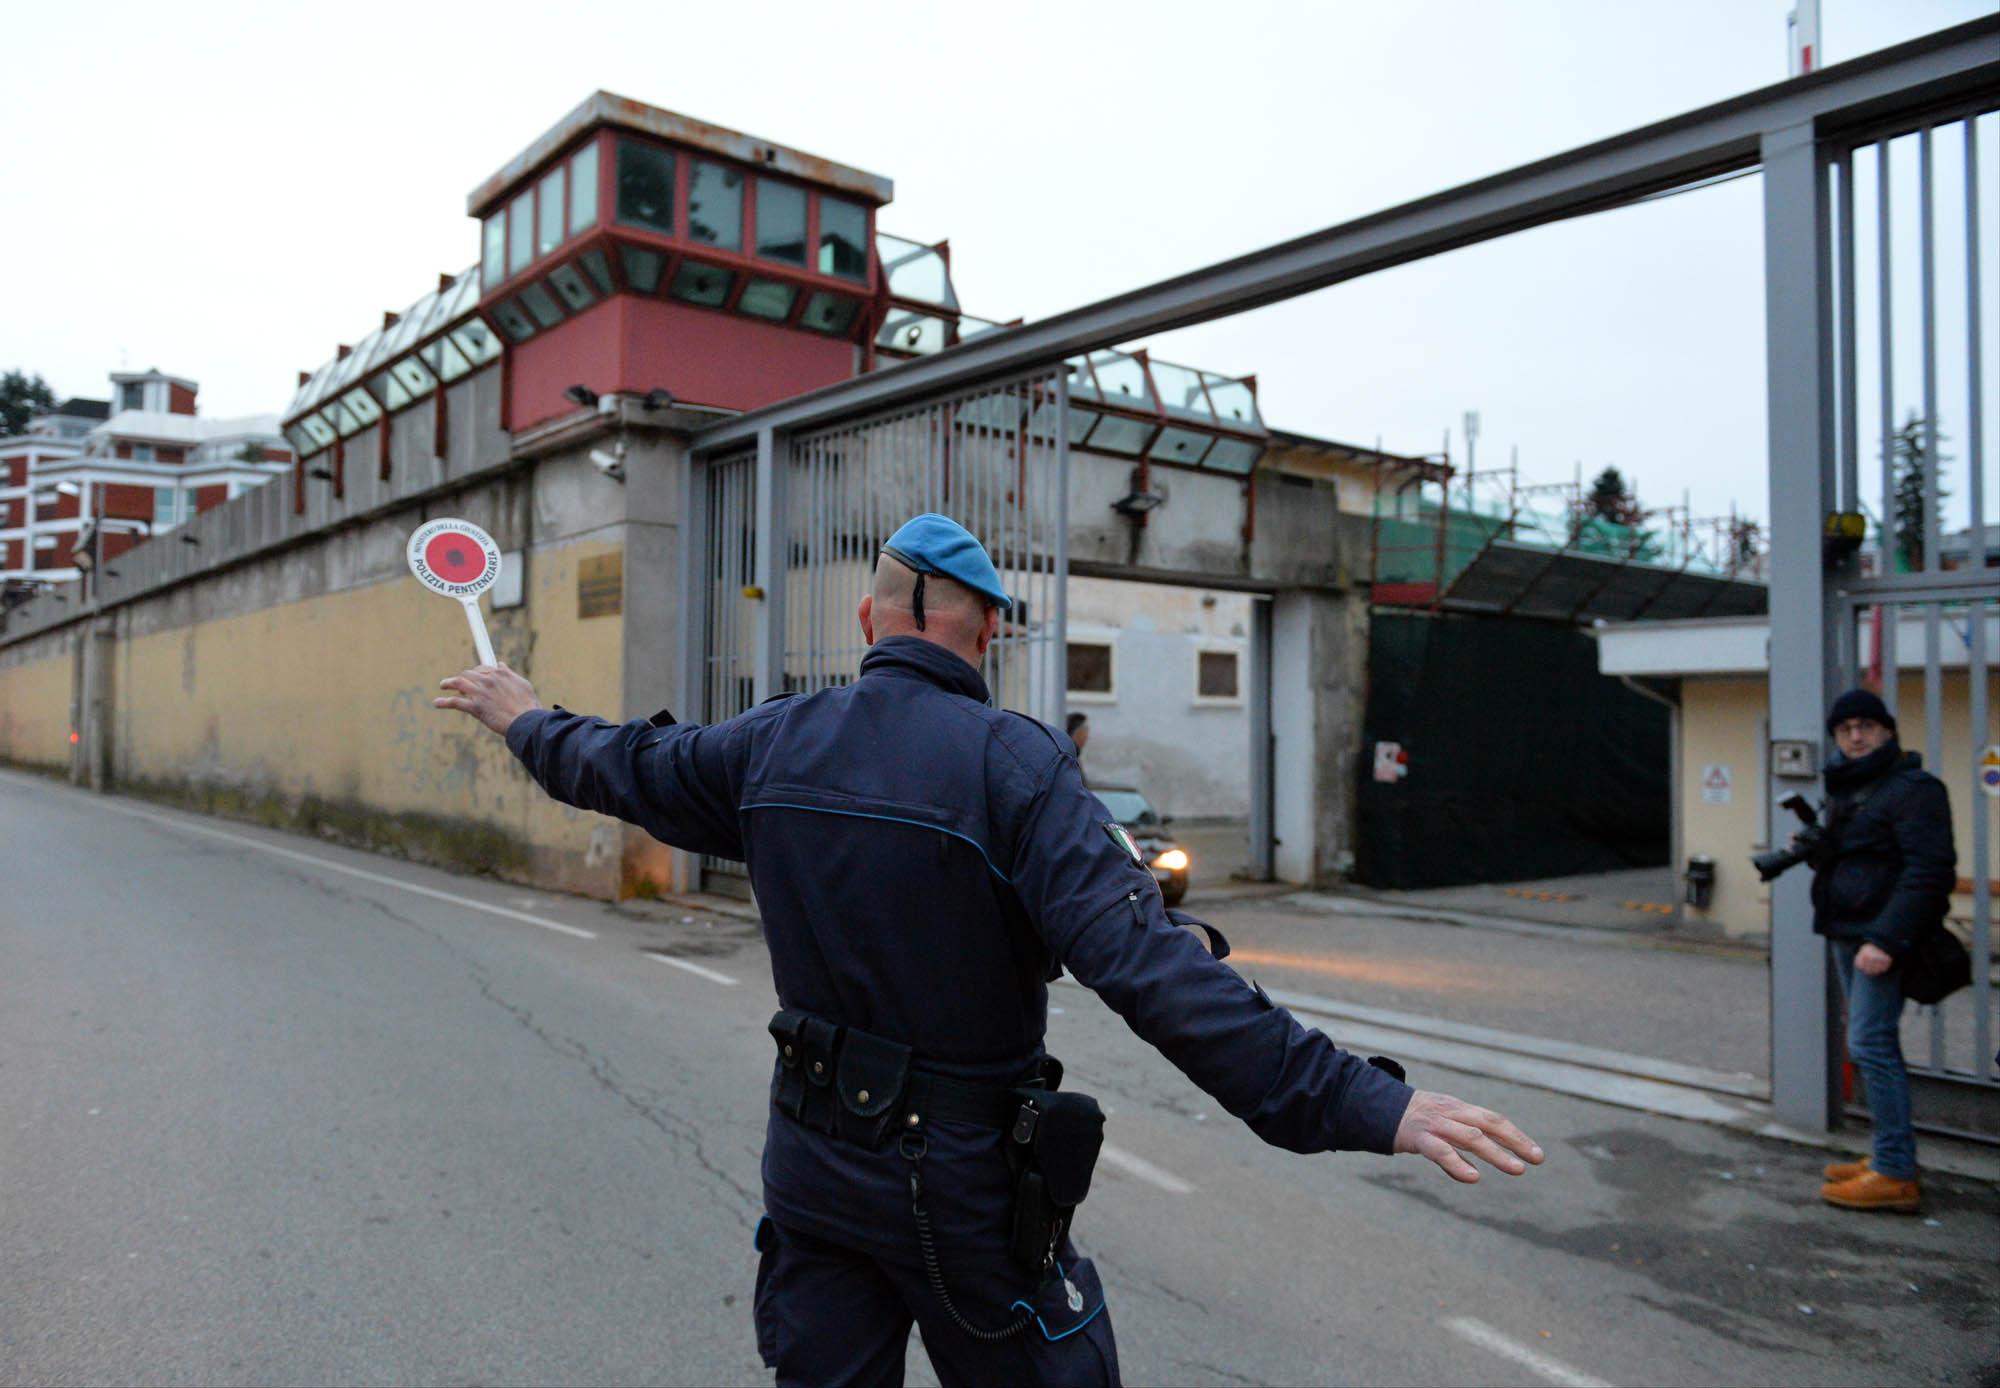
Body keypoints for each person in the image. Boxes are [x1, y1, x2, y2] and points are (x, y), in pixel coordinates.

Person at [435, 513, 1543, 1386]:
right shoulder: (1014, 764)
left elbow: (621, 761)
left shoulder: (771, 739)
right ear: (989, 632)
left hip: (811, 1165)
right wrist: (1356, 1099)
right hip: (954, 1183)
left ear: (870, 623)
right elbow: (1148, 965)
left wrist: (526, 714)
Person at [1808, 688, 1956, 1213]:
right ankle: (1888, 1157)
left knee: (1870, 1045)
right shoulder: (1852, 789)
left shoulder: (1913, 788)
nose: (1854, 735)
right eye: (1844, 727)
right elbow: (1865, 863)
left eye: (1866, 725)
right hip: (1850, 932)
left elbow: (1930, 871)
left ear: (1887, 731)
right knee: (1870, 1044)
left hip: (1877, 940)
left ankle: (1895, 1171)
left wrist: (1886, 939)